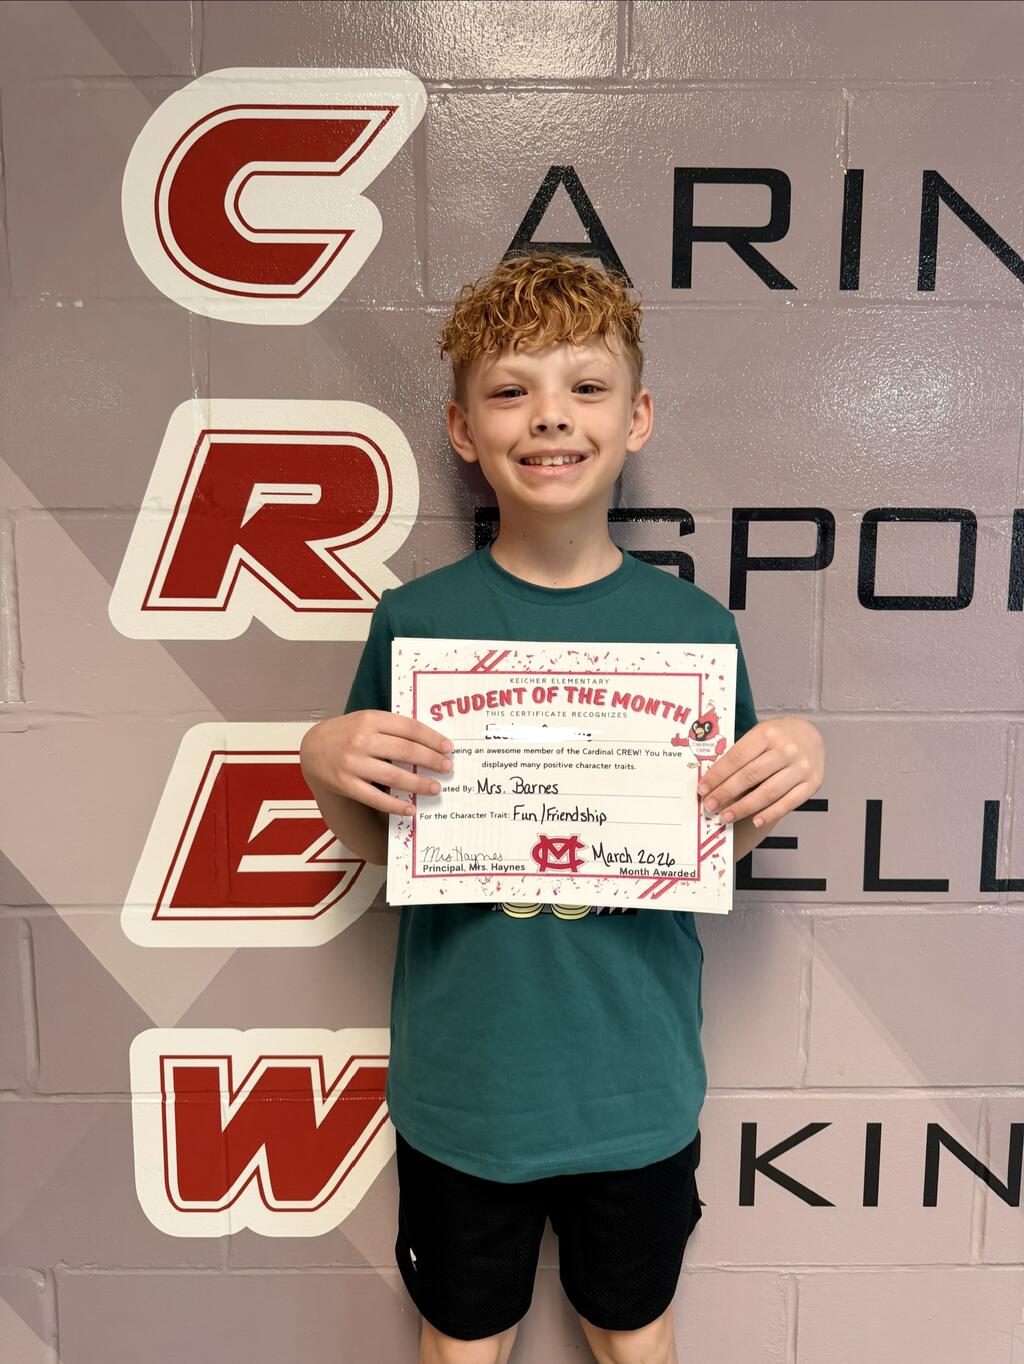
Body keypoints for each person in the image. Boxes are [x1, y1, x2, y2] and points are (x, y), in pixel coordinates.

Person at [300, 252, 825, 1364]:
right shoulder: (415, 622)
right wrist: (321, 760)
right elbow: (384, 845)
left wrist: (788, 765)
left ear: (635, 419)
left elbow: (713, 840)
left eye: (586, 387)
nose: (549, 416)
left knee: (634, 1332)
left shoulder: (694, 629)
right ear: (462, 428)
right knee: (463, 1338)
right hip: (465, 1088)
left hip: (633, 1085)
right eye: (511, 390)